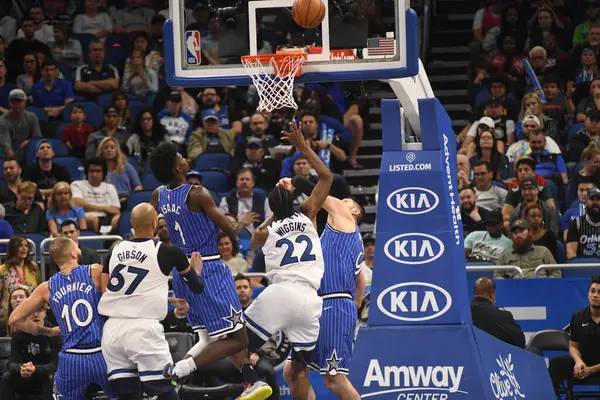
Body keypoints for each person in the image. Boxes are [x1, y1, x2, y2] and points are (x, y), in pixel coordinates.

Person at [209, 120, 332, 400]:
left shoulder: (265, 230)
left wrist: (272, 212)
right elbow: (326, 177)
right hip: (311, 300)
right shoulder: (308, 212)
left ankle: (251, 381)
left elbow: (253, 239)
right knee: (299, 371)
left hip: (281, 293)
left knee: (235, 343)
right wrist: (303, 148)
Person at [149, 142, 270, 400]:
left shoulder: (158, 195)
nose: (185, 158)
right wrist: (244, 220)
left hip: (183, 271)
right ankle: (183, 367)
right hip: (209, 267)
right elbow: (231, 230)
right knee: (239, 337)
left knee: (208, 336)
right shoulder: (197, 193)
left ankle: (251, 381)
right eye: (181, 156)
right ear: (178, 166)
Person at [98, 203, 205, 400]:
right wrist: (196, 271)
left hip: (112, 331)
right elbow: (197, 287)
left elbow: (105, 289)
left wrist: (165, 298)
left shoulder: (114, 249)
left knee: (127, 395)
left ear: (131, 223)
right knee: (165, 391)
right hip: (143, 330)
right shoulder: (167, 251)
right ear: (155, 222)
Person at [278, 174, 365, 399]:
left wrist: (297, 180)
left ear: (354, 211)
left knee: (334, 381)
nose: (341, 201)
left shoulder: (346, 218)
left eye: (347, 201)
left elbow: (319, 193)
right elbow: (360, 279)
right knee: (291, 371)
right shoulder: (334, 234)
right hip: (317, 305)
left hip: (334, 303)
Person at [8, 237, 113, 399]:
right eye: (77, 247)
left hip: (71, 357)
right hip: (102, 353)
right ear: (72, 253)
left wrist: (48, 331)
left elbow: (14, 319)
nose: (79, 249)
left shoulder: (47, 287)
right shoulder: (95, 271)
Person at [548, 276, 600, 395]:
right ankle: (550, 397)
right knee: (557, 363)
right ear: (588, 294)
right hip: (583, 364)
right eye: (592, 291)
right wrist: (578, 361)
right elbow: (573, 346)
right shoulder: (578, 316)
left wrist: (590, 370)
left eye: (599, 292)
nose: (595, 295)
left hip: (596, 367)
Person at [0, 306, 58, 400]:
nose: (36, 315)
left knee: (52, 379)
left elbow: (55, 364)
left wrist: (36, 369)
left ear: (45, 313)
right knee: (7, 377)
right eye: (31, 311)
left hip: (45, 375)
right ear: (26, 314)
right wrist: (20, 368)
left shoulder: (54, 333)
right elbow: (11, 362)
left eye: (40, 310)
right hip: (25, 375)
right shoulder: (19, 334)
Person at [470, 277, 525, 348]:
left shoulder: (464, 316)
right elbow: (520, 342)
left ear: (473, 292)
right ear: (492, 293)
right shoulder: (503, 316)